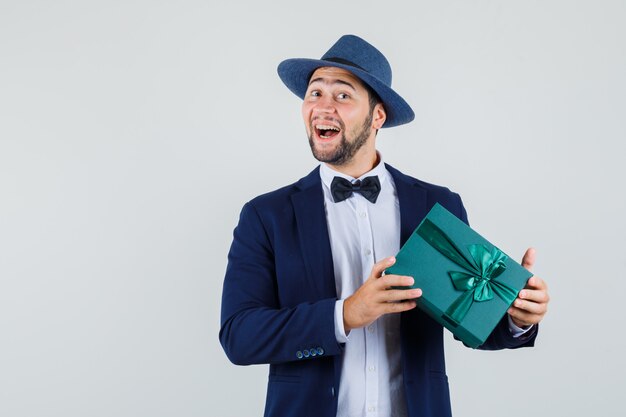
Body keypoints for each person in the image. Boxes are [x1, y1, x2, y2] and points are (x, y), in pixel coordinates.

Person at [219, 35, 549, 417]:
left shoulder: (437, 205)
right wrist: (344, 314)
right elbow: (239, 336)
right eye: (314, 94)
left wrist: (515, 317)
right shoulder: (266, 215)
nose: (323, 108)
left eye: (342, 96)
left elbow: (471, 320)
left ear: (378, 116)